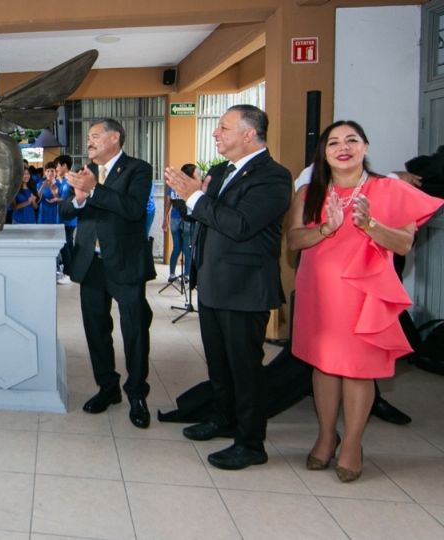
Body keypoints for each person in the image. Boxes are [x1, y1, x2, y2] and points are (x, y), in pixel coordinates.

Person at [286, 120, 443, 482]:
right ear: (323, 154)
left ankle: (353, 444)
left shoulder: (388, 190)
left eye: (351, 140)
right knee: (324, 365)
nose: (343, 147)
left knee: (358, 370)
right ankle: (326, 436)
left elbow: (403, 244)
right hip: (320, 291)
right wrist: (324, 229)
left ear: (365, 147)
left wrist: (370, 224)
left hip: (363, 293)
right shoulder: (310, 192)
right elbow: (294, 241)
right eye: (334, 143)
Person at [164, 104, 291, 470]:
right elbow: (205, 218)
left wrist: (197, 197)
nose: (216, 134)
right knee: (219, 364)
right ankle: (223, 419)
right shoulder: (220, 172)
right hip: (215, 283)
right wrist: (190, 198)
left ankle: (251, 443)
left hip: (245, 287)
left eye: (223, 128)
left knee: (245, 368)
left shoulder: (273, 176)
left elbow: (239, 225)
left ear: (249, 134)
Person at [61, 118, 155, 427]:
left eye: (95, 136)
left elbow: (132, 209)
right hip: (91, 262)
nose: (89, 142)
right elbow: (65, 210)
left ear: (115, 138)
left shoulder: (138, 169)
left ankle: (137, 394)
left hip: (125, 263)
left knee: (134, 330)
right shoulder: (87, 173)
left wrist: (94, 190)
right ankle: (107, 387)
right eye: (88, 137)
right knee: (96, 330)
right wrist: (78, 195)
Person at [162, 163, 195, 283]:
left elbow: (168, 202)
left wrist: (165, 218)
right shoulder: (192, 185)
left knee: (176, 247)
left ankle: (171, 274)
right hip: (188, 218)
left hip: (175, 217)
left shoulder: (173, 184)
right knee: (187, 248)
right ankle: (186, 276)